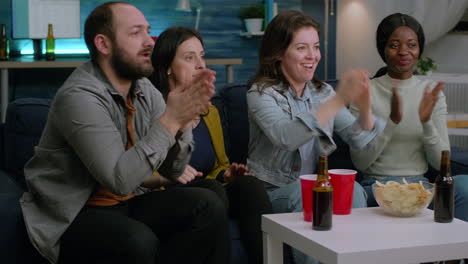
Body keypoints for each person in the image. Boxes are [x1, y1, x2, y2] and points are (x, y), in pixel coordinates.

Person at [20, 2, 230, 264]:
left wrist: (184, 121)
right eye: (135, 33)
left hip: (129, 201)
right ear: (103, 44)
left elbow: (172, 170)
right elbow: (119, 180)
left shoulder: (143, 88)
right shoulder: (80, 97)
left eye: (148, 31)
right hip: (75, 213)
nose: (149, 42)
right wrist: (171, 119)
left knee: (208, 204)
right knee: (137, 240)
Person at [246, 10, 385, 264]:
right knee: (308, 193)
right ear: (279, 53)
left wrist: (364, 105)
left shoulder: (322, 92)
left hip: (312, 188)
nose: (313, 56)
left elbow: (358, 138)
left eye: (316, 47)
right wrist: (339, 99)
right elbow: (285, 136)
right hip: (272, 191)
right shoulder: (260, 93)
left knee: (351, 189)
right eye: (302, 48)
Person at [149, 26, 273, 264]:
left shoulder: (210, 112)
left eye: (202, 56)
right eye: (189, 57)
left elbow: (218, 166)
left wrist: (225, 175)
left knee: (249, 185)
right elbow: (140, 168)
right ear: (167, 68)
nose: (200, 64)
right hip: (170, 197)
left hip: (211, 193)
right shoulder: (154, 112)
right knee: (212, 192)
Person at [350, 13, 468, 222]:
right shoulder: (365, 92)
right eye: (394, 45)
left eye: (411, 45)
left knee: (464, 185)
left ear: (419, 49)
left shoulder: (432, 93)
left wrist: (426, 123)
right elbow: (360, 161)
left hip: (420, 189)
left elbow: (443, 164)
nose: (404, 51)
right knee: (353, 194)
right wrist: (391, 122)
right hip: (375, 190)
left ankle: (451, 253)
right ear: (383, 49)